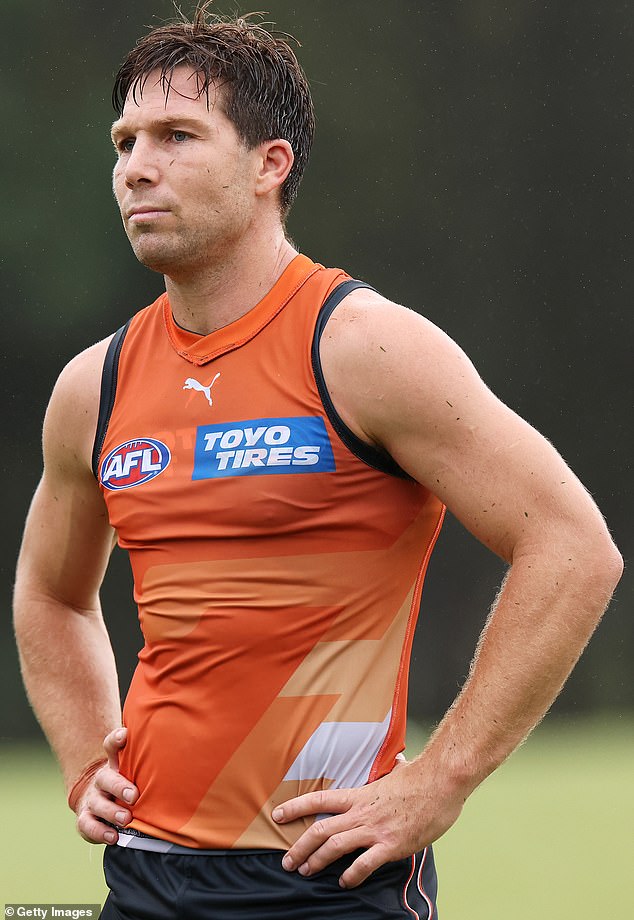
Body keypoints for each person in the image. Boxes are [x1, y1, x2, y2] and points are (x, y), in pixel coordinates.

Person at [14, 4, 622, 919]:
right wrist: (79, 757)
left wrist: (441, 781)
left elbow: (574, 548)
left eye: (177, 135)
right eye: (125, 139)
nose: (137, 165)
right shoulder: (91, 386)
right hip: (141, 876)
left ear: (271, 165)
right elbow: (51, 595)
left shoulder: (365, 349)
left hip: (325, 880)